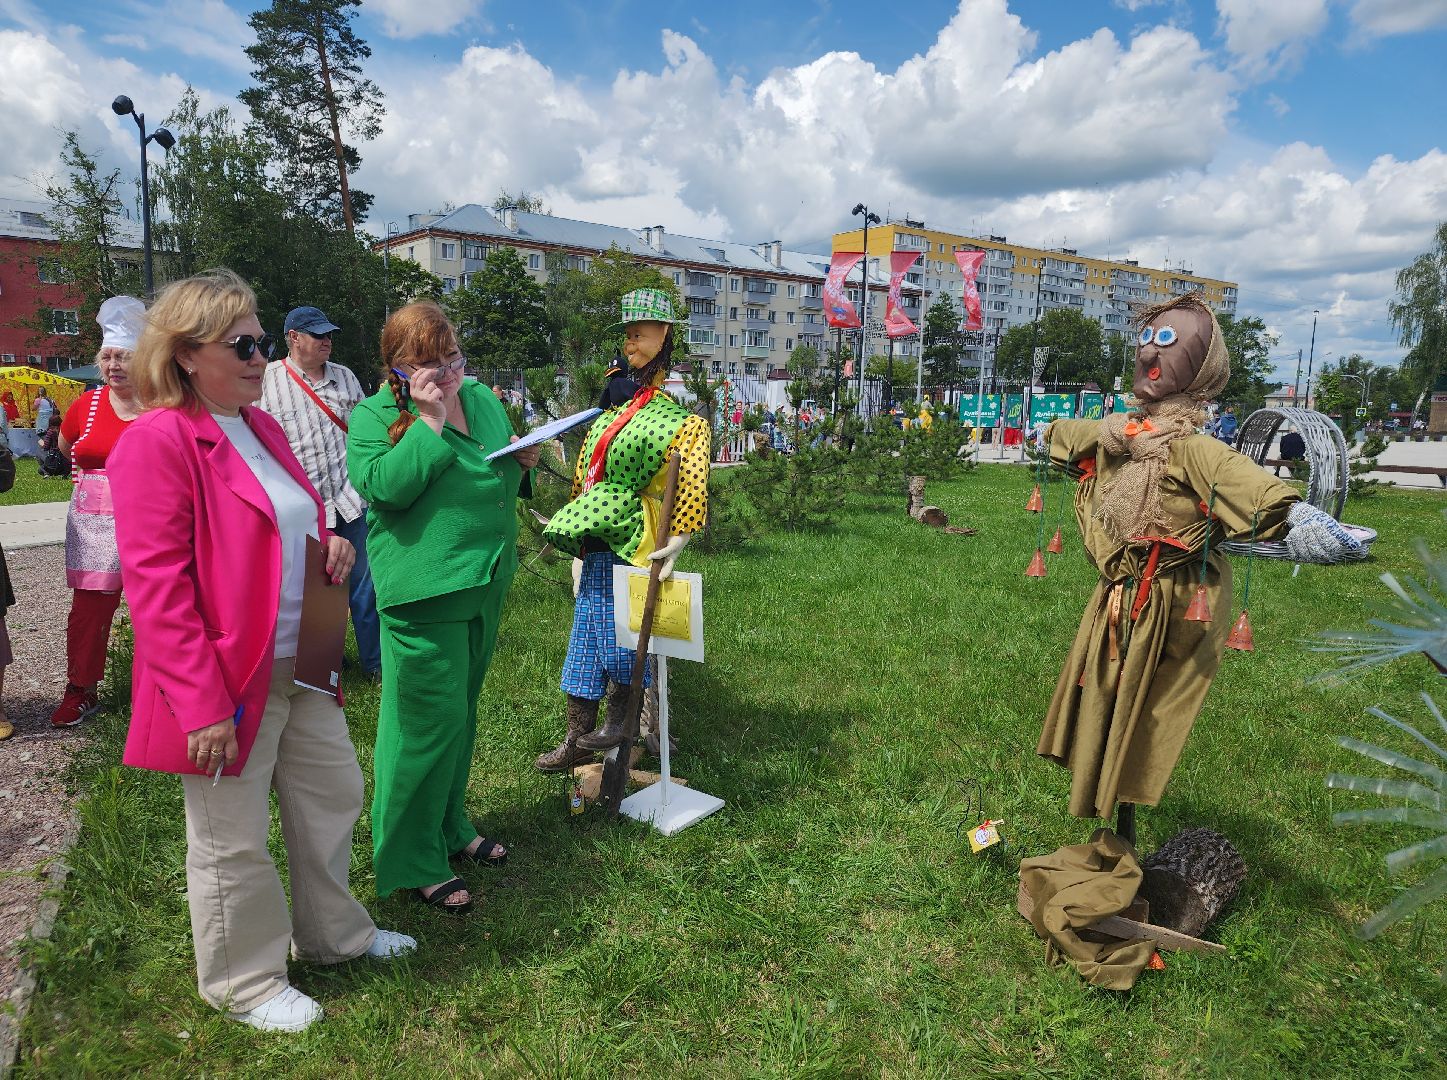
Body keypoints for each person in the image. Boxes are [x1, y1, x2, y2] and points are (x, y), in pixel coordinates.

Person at [109, 269, 413, 1033]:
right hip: (225, 679)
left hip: (301, 660)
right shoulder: (157, 439)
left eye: (263, 340)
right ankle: (244, 983)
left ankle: (335, 938)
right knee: (229, 838)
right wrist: (200, 704)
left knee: (331, 799)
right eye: (241, 343)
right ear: (184, 354)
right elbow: (158, 588)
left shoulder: (260, 424)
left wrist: (327, 552)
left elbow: (290, 520)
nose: (260, 356)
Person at [1040, 294, 1361, 831]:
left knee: (1145, 710)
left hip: (1167, 606)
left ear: (1201, 370)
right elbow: (1071, 435)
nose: (1149, 354)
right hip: (1118, 598)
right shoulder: (1124, 434)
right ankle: (1106, 806)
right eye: (1147, 341)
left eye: (1167, 342)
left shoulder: (1192, 449)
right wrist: (1074, 433)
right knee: (1105, 694)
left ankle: (1123, 808)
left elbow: (1245, 483)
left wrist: (1304, 520)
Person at [347, 302, 539, 914]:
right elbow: (385, 490)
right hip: (425, 591)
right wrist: (428, 421)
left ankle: (450, 826)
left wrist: (524, 462)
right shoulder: (374, 416)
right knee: (423, 728)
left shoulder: (480, 398)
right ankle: (410, 856)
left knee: (460, 717)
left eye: (452, 358)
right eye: (428, 363)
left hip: (484, 578)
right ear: (397, 367)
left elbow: (497, 466)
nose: (447, 373)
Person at [536, 288, 710, 770]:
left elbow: (690, 483)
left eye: (641, 332)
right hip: (595, 531)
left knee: (622, 629)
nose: (631, 341)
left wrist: (678, 539)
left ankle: (623, 723)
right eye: (627, 333)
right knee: (587, 632)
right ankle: (579, 734)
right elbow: (585, 474)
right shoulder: (612, 409)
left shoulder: (680, 421)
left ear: (666, 336)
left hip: (635, 537)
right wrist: (575, 524)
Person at [259, 305, 380, 677]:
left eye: (329, 334)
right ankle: (325, 669)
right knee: (317, 592)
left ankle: (376, 666)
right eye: (318, 334)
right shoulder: (267, 381)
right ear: (293, 338)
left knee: (365, 587)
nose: (327, 341)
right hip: (305, 507)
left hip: (351, 499)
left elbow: (363, 429)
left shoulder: (344, 377)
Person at [49, 298, 146, 728]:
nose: (113, 365)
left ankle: (157, 689)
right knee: (89, 609)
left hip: (150, 520)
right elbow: (70, 448)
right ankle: (80, 689)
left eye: (123, 356)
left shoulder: (163, 404)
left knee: (157, 605)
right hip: (93, 526)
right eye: (107, 356)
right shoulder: (85, 405)